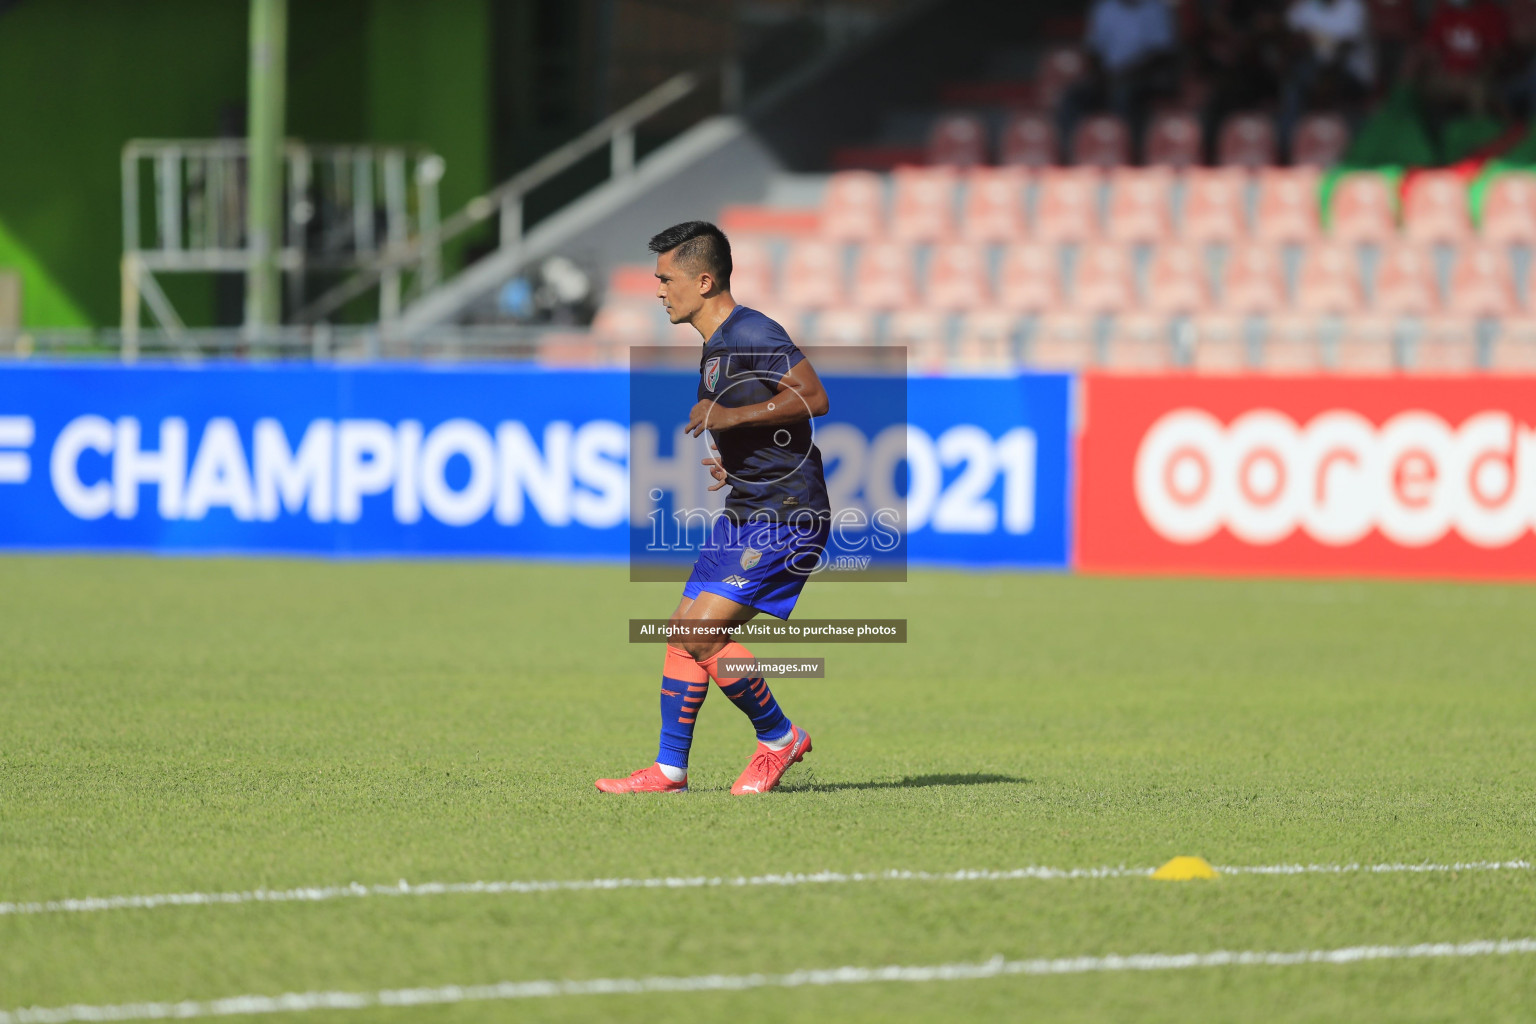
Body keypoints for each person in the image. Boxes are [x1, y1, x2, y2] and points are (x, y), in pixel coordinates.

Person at [595, 221, 830, 795]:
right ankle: (669, 769)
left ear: (703, 281)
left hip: (785, 515)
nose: (658, 290)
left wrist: (730, 419)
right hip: (749, 505)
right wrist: (738, 461)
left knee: (701, 635)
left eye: (665, 278)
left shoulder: (752, 331)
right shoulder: (715, 346)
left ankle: (780, 738)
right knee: (680, 635)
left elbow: (814, 397)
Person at [1056, 0, 1178, 159]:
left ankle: (1128, 156)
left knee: (1123, 95)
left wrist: (1124, 75)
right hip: (1109, 77)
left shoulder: (1156, 8)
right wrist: (1103, 77)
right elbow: (1094, 50)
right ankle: (1072, 154)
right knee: (1073, 97)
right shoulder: (1105, 7)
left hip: (1145, 78)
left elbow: (1161, 55)